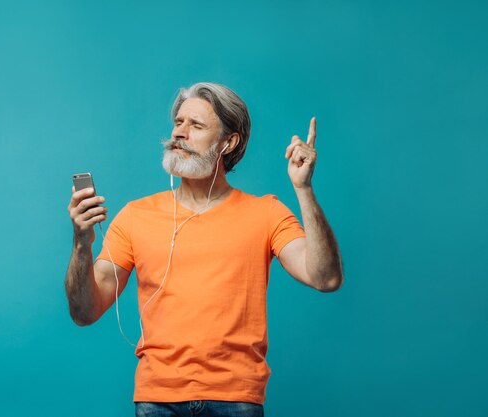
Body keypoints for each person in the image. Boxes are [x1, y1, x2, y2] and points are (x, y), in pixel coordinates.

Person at [65, 82, 343, 417]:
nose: (180, 133)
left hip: (236, 399)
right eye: (178, 123)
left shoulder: (266, 213)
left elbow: (325, 278)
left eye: (196, 126)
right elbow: (85, 312)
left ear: (229, 142)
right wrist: (82, 242)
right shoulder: (136, 216)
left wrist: (303, 189)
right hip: (157, 400)